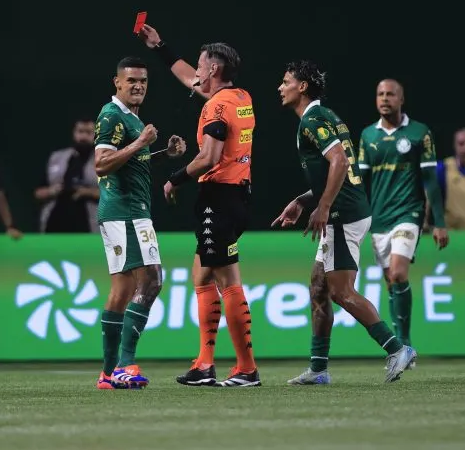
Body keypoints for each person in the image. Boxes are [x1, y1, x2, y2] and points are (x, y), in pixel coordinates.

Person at [271, 61, 416, 385]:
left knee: (341, 291)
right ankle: (319, 369)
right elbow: (339, 171)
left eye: (286, 82)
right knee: (318, 286)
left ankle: (397, 348)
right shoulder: (327, 116)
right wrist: (303, 201)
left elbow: (339, 161)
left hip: (342, 215)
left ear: (303, 87)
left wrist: (323, 207)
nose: (281, 88)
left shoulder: (313, 119)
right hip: (349, 208)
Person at [138, 25, 260, 388]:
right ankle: (205, 365)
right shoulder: (240, 96)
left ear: (214, 70)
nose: (198, 69)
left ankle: (246, 369)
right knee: (201, 276)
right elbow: (188, 76)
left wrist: (175, 177)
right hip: (235, 194)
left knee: (227, 281)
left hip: (219, 198)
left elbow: (208, 157)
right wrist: (159, 47)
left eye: (202, 64)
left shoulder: (217, 106)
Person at [94, 56, 186, 389]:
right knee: (151, 281)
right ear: (116, 82)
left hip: (127, 210)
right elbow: (101, 164)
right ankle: (125, 364)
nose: (138, 86)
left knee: (122, 290)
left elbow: (128, 161)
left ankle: (107, 373)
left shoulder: (130, 118)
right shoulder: (112, 115)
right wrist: (140, 142)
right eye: (131, 80)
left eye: (143, 81)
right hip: (125, 211)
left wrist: (161, 153)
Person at [357, 79, 449, 354]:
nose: (385, 98)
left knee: (398, 273)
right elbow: (360, 181)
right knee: (391, 282)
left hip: (409, 214)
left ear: (401, 99)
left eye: (390, 94)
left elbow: (431, 180)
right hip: (380, 218)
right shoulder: (368, 136)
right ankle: (399, 346)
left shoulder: (420, 133)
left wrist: (439, 223)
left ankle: (405, 343)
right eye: (380, 94)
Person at [34, 119, 100, 233]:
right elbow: (38, 193)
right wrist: (52, 191)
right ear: (74, 133)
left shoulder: (105, 160)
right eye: (80, 132)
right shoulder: (56, 158)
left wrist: (86, 192)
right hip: (55, 221)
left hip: (89, 224)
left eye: (89, 132)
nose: (83, 136)